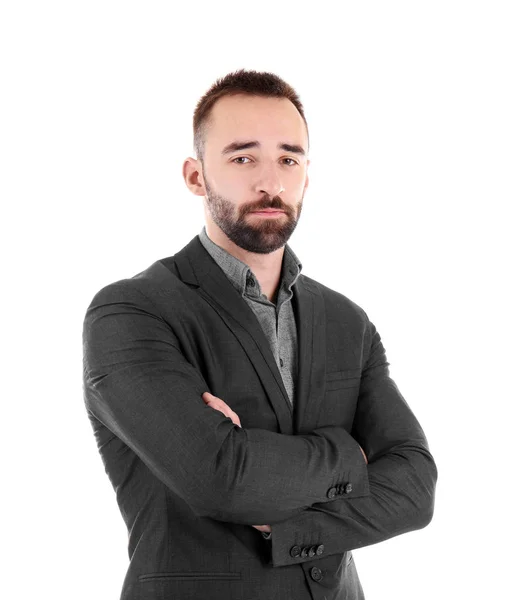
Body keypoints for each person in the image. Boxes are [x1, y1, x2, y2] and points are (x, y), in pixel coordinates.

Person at [82, 68, 438, 600]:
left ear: (306, 175)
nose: (270, 181)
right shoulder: (132, 312)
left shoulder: (348, 320)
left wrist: (288, 516)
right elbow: (221, 478)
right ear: (196, 176)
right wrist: (352, 456)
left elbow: (414, 487)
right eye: (243, 157)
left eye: (288, 159)